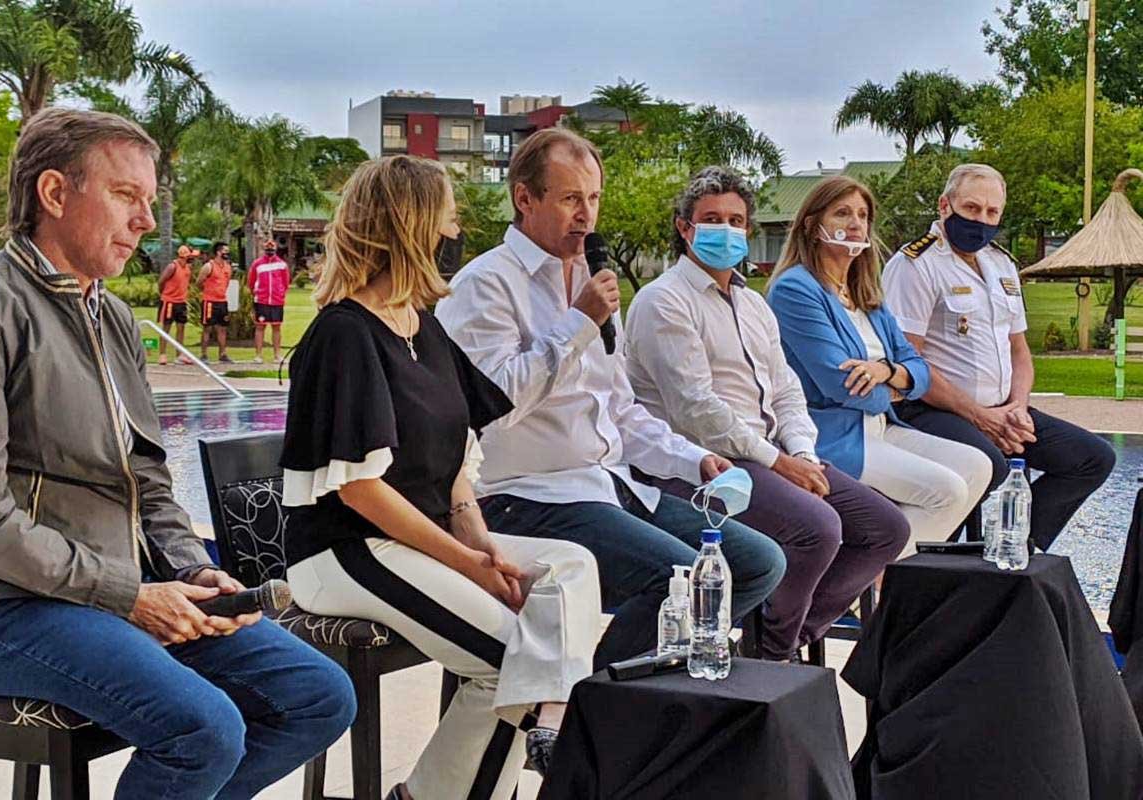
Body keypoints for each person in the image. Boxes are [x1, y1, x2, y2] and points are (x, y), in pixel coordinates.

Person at [0, 107, 355, 798]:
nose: (144, 219)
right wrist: (130, 596)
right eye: (126, 196)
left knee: (317, 694)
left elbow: (148, 479)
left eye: (148, 200)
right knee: (204, 729)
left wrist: (192, 570)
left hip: (108, 591)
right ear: (54, 194)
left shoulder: (112, 319)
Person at [281, 155, 601, 799]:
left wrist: (479, 539)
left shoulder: (421, 325)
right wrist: (464, 561)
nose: (456, 225)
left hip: (421, 540)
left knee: (571, 568)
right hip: (347, 551)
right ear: (413, 224)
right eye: (447, 212)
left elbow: (457, 459)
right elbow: (359, 488)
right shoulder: (344, 334)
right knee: (511, 658)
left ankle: (537, 728)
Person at [436, 128, 785, 669]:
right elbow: (496, 405)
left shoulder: (593, 281)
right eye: (571, 198)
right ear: (525, 199)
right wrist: (578, 323)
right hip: (528, 496)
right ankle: (588, 711)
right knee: (682, 577)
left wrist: (694, 460)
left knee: (757, 561)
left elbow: (619, 409)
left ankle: (646, 689)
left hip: (607, 484)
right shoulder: (485, 284)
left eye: (593, 198)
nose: (587, 215)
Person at [624, 166, 909, 661]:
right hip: (699, 465)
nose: (726, 230)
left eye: (736, 220)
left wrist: (801, 452)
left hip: (769, 454)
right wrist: (780, 464)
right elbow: (696, 410)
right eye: (711, 219)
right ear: (684, 228)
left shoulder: (752, 305)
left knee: (886, 528)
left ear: (748, 231)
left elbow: (786, 390)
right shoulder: (663, 302)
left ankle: (781, 638)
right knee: (817, 528)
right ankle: (773, 656)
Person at [883, 163, 1116, 549]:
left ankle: (1010, 549)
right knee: (990, 465)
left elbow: (1019, 350)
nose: (982, 220)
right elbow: (909, 361)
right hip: (933, 410)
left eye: (992, 212)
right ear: (945, 206)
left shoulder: (1001, 263)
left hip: (1003, 410)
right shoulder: (915, 265)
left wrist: (1018, 410)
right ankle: (933, 565)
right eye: (972, 208)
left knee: (1092, 458)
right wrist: (979, 417)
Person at [766, 176, 992, 554]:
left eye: (863, 215)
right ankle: (870, 583)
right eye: (842, 213)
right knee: (946, 490)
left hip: (880, 427)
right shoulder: (796, 289)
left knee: (977, 465)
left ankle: (880, 577)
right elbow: (842, 387)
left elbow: (916, 365)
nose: (855, 224)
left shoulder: (864, 291)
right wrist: (895, 390)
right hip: (834, 436)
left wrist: (886, 373)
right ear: (811, 225)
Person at [247, 238, 291, 364]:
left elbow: (285, 282)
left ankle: (277, 355)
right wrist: (257, 293)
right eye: (268, 249)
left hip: (277, 300)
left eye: (272, 249)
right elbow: (251, 281)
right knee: (260, 327)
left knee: (276, 327)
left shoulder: (282, 264)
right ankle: (258, 355)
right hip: (262, 300)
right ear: (264, 250)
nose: (270, 251)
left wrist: (280, 293)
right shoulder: (257, 264)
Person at [156, 243, 197, 365]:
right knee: (166, 328)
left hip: (181, 302)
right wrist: (165, 294)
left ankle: (179, 354)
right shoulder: (172, 266)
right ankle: (162, 354)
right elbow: (161, 281)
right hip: (169, 301)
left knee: (181, 328)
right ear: (184, 255)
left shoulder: (188, 268)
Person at [198, 240, 233, 362]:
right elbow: (199, 282)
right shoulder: (209, 266)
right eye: (225, 251)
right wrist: (208, 291)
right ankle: (203, 354)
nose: (227, 253)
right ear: (218, 252)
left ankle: (223, 354)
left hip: (222, 301)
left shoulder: (228, 267)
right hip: (209, 302)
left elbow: (227, 282)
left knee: (222, 328)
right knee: (207, 328)